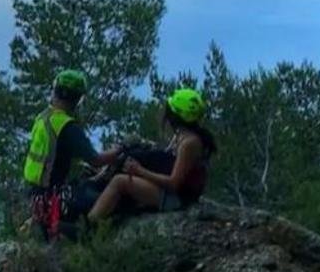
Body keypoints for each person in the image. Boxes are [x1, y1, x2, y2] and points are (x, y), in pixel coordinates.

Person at [87, 88, 217, 222]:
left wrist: (140, 170)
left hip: (177, 199)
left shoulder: (189, 143)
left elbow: (174, 183)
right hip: (177, 194)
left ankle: (89, 226)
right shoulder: (184, 136)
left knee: (120, 181)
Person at [22, 69, 120, 238]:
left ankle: (43, 223)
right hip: (55, 200)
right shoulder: (67, 126)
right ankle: (82, 233)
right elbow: (95, 160)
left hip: (35, 199)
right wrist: (120, 150)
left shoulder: (43, 118)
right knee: (112, 201)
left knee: (87, 185)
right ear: (77, 99)